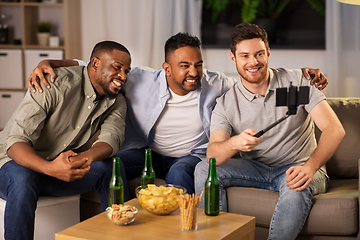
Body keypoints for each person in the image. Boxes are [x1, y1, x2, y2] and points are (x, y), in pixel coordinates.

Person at [27, 33, 327, 198]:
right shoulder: (140, 79)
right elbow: (91, 64)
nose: (193, 72)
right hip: (145, 151)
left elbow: (256, 79)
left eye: (197, 64)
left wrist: (302, 75)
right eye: (184, 66)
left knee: (181, 175)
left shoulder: (218, 83)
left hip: (189, 155)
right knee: (109, 166)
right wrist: (49, 59)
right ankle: (122, 223)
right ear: (166, 68)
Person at [194, 23, 345, 240]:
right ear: (233, 58)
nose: (253, 62)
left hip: (298, 165)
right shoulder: (226, 104)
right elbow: (212, 156)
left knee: (296, 185)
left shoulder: (298, 82)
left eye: (259, 54)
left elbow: (334, 129)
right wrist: (235, 143)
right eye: (245, 56)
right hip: (256, 169)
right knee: (202, 170)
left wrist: (310, 167)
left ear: (268, 53)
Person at [0, 40, 131, 240]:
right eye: (117, 68)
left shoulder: (116, 100)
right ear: (95, 64)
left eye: (127, 71)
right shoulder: (52, 83)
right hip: (12, 165)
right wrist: (50, 168)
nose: (123, 76)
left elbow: (110, 140)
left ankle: (124, 236)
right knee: (24, 177)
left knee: (112, 167)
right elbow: (15, 143)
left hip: (57, 169)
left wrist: (81, 160)